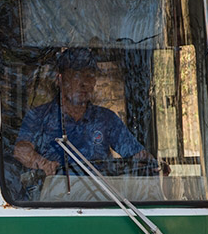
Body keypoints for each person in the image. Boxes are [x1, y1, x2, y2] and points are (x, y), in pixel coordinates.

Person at [13, 48, 155, 176]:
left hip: (103, 196)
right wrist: (43, 163)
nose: (84, 83)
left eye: (89, 76)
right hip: (54, 198)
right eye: (76, 75)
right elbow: (21, 150)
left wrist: (153, 164)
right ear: (59, 79)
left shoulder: (106, 119)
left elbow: (136, 153)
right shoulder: (38, 116)